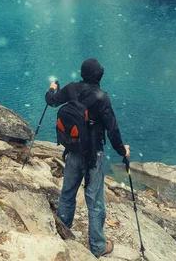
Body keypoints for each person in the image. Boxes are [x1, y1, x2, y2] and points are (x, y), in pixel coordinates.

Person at [45, 57, 130, 258]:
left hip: (73, 150)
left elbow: (51, 101)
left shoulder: (71, 88)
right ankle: (98, 246)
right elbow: (113, 130)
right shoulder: (102, 97)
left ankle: (63, 232)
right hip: (94, 154)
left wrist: (51, 88)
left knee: (67, 192)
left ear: (83, 73)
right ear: (98, 75)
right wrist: (122, 151)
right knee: (95, 201)